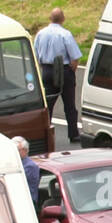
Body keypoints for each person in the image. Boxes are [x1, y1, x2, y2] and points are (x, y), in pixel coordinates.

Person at [34, 8, 83, 144]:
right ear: (63, 19)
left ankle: (45, 134)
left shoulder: (40, 34)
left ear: (50, 18)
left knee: (48, 105)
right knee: (69, 104)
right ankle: (73, 134)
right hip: (63, 70)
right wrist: (70, 72)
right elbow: (75, 57)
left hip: (47, 70)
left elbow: (36, 55)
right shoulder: (65, 34)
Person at [13, 137, 39, 206]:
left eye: (18, 150)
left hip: (28, 202)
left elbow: (16, 182)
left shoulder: (30, 166)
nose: (14, 152)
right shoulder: (17, 163)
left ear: (25, 150)